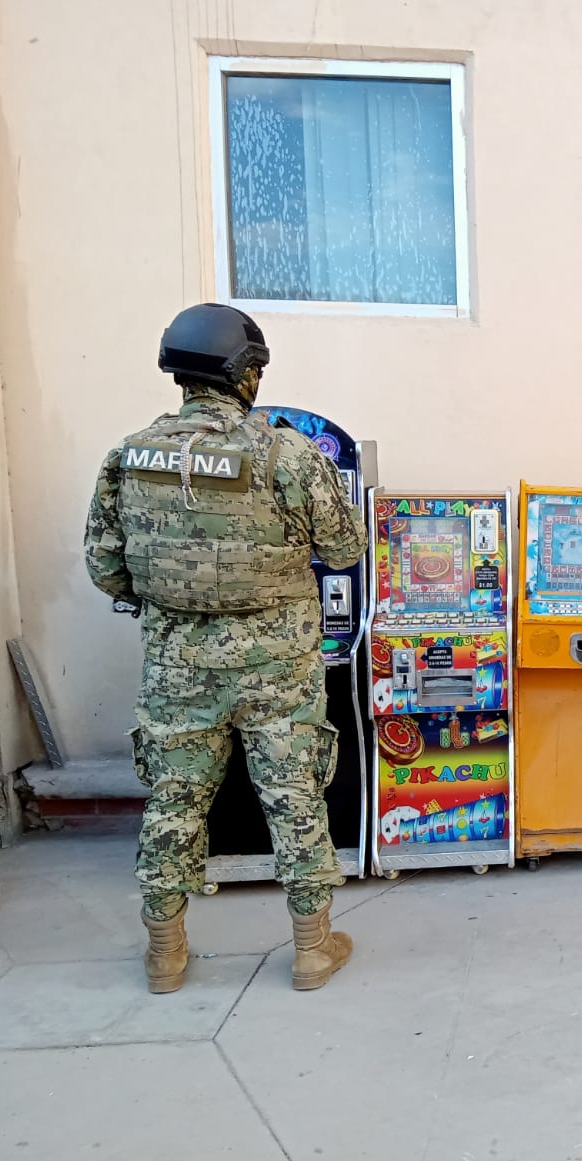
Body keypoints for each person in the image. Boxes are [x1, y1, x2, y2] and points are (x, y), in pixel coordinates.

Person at [84, 303, 366, 994]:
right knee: (294, 797)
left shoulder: (129, 455)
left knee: (174, 801)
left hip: (177, 666)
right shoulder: (285, 453)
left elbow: (105, 568)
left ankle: (165, 954)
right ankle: (311, 949)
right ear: (246, 374)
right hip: (278, 666)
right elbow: (345, 547)